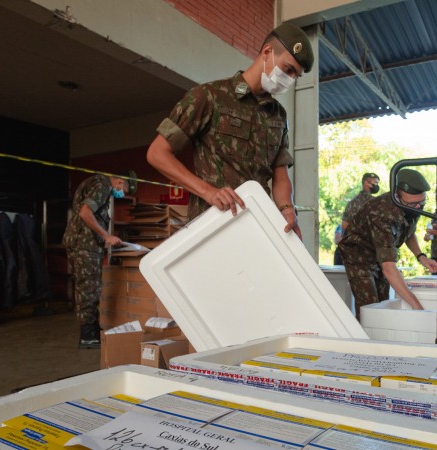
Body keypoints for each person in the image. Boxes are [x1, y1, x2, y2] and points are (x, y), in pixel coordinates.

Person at [145, 23, 314, 239]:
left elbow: (280, 174)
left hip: (257, 227)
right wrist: (208, 191)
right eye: (288, 69)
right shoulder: (209, 96)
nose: (289, 79)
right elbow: (157, 154)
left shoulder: (279, 115)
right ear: (267, 52)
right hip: (212, 225)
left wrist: (286, 209)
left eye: (295, 76)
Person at [338, 169, 437, 320]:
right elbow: (389, 268)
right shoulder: (381, 213)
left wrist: (421, 257)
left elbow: (408, 232)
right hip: (358, 255)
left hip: (380, 254)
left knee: (384, 304)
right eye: (413, 204)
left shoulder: (411, 207)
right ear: (397, 196)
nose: (417, 208)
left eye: (421, 203)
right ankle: (365, 341)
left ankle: (381, 339)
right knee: (370, 308)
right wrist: (418, 308)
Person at [63, 171, 135, 348]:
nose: (122, 194)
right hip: (84, 244)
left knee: (89, 286)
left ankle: (93, 330)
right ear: (119, 182)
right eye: (124, 190)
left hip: (84, 242)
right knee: (89, 288)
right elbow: (85, 212)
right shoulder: (102, 185)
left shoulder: (96, 182)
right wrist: (106, 235)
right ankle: (88, 336)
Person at [334, 172, 380, 265]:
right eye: (375, 183)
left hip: (351, 247)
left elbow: (344, 226)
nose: (376, 186)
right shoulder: (376, 203)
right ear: (366, 183)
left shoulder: (352, 202)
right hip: (369, 250)